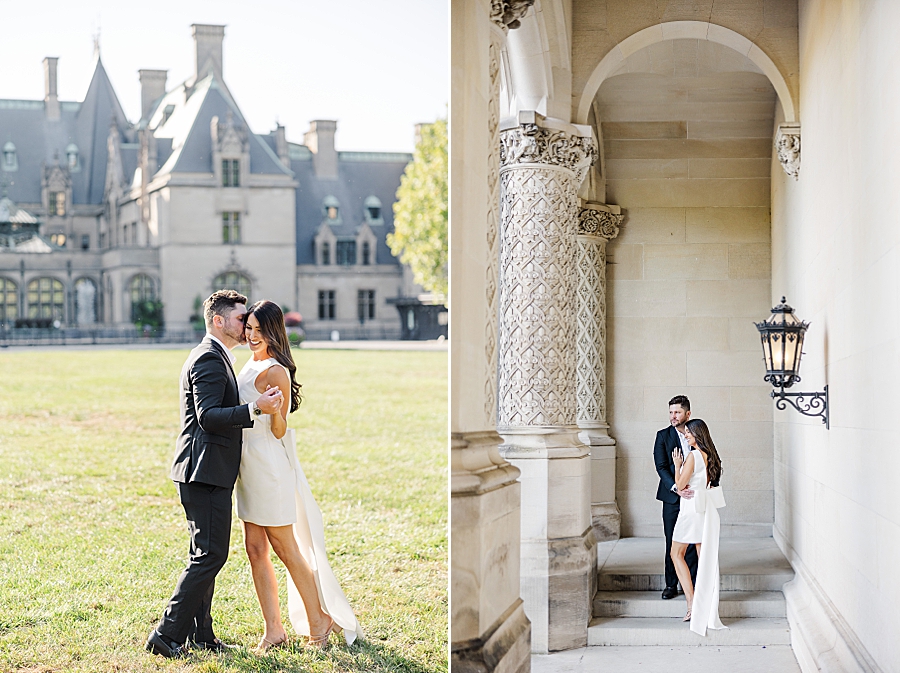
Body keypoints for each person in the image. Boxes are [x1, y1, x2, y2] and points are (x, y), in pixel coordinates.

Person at [146, 290, 283, 658]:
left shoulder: (215, 355)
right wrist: (255, 408)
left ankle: (200, 635)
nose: (246, 325)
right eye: (241, 319)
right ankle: (167, 634)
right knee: (209, 556)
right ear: (219, 321)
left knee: (205, 554)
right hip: (203, 471)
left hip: (206, 470)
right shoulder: (208, 358)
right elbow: (207, 417)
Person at [236, 300, 362, 650]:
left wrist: (275, 410)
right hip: (246, 467)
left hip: (268, 466)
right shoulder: (250, 361)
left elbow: (280, 430)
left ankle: (319, 621)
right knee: (254, 547)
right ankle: (273, 630)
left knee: (285, 547)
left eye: (259, 331)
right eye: (249, 328)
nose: (251, 336)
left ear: (274, 331)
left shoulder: (276, 371)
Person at [670, 418, 726, 635]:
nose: (686, 435)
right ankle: (706, 606)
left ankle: (693, 604)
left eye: (688, 433)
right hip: (704, 510)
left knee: (676, 553)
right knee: (704, 559)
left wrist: (677, 466)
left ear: (697, 434)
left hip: (691, 510)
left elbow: (681, 484)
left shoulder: (693, 455)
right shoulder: (711, 456)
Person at [653, 395, 698, 599]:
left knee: (692, 541)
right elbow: (661, 467)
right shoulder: (662, 436)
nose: (673, 416)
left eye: (677, 412)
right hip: (672, 498)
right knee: (672, 541)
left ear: (687, 413)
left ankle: (693, 583)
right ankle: (671, 585)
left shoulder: (697, 434)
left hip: (694, 497)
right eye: (671, 412)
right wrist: (675, 488)